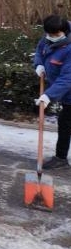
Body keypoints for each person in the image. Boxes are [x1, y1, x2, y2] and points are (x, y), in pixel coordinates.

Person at [34, 14, 71, 169]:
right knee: (65, 123)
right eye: (49, 34)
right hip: (66, 94)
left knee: (65, 123)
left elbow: (67, 78)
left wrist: (48, 95)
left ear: (64, 31)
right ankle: (61, 158)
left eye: (56, 35)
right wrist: (39, 65)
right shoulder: (47, 38)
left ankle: (61, 158)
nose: (51, 37)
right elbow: (39, 51)